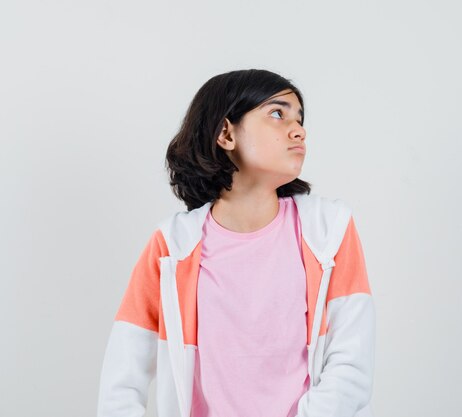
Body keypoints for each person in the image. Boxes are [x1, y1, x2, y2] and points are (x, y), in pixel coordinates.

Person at [97, 69, 376, 417]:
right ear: (226, 134)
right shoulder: (171, 247)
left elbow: (351, 364)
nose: (298, 129)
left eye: (300, 119)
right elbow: (121, 381)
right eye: (278, 113)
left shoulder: (329, 230)